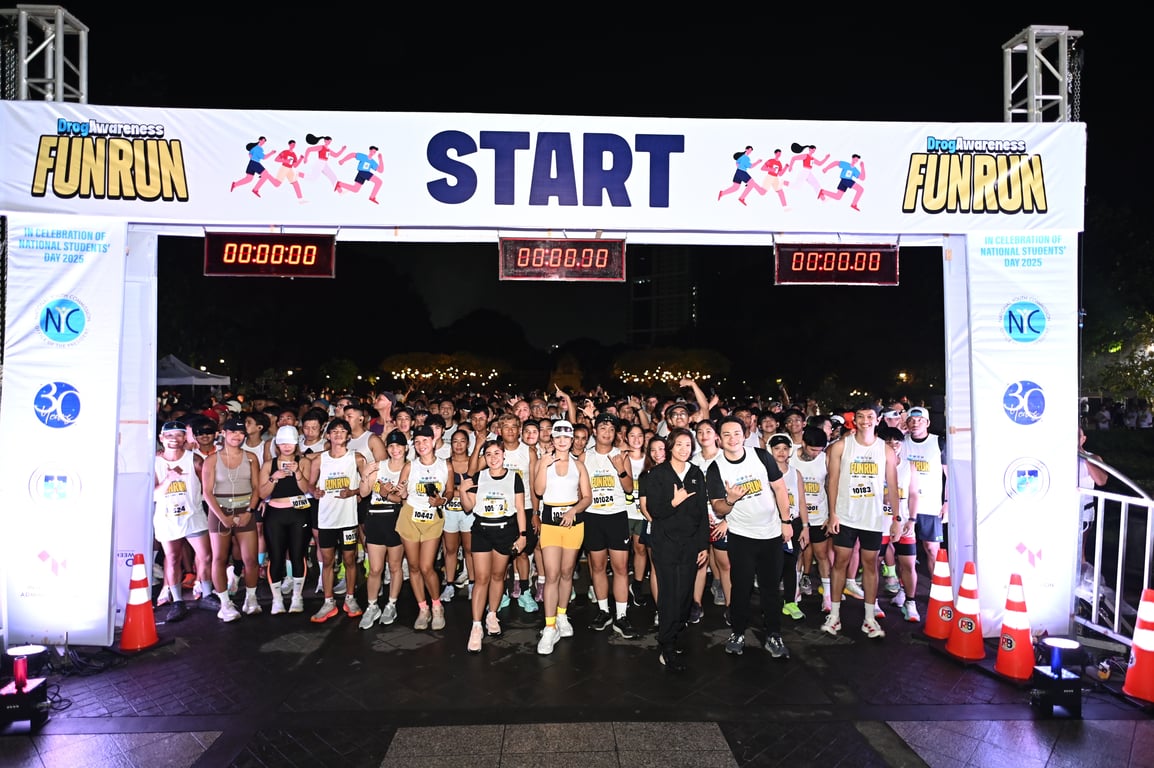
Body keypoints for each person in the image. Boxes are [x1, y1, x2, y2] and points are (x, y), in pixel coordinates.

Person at [707, 415, 794, 659]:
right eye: (726, 434)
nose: (732, 438)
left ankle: (774, 634)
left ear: (745, 434)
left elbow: (779, 488)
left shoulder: (761, 456)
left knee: (770, 588)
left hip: (771, 533)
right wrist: (731, 499)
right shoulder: (716, 468)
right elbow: (718, 508)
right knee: (741, 587)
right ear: (719, 439)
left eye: (736, 433)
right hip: (741, 537)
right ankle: (737, 632)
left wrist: (786, 521)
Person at [823, 403, 899, 639]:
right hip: (845, 515)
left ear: (878, 420)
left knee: (870, 564)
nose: (865, 420)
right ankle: (834, 615)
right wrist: (832, 513)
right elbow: (832, 481)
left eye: (870, 416)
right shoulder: (840, 446)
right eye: (860, 417)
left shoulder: (886, 450)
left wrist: (896, 518)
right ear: (853, 420)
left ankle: (869, 618)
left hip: (873, 518)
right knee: (841, 562)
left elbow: (893, 487)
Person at [641, 427, 710, 671]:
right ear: (670, 446)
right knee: (670, 594)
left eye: (688, 445)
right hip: (666, 542)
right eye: (679, 444)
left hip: (691, 543)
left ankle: (673, 632)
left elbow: (702, 511)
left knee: (684, 596)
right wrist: (673, 501)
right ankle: (666, 644)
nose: (683, 449)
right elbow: (655, 512)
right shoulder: (657, 474)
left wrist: (704, 545)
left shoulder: (696, 473)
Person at [459, 440, 529, 652]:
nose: (493, 457)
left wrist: (523, 535)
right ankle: (476, 626)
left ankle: (492, 614)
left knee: (498, 576)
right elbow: (469, 507)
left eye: (496, 453)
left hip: (505, 531)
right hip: (481, 530)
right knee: (481, 578)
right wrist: (462, 491)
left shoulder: (514, 477)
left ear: (503, 455)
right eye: (488, 454)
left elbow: (519, 507)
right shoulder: (478, 477)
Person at [533, 420, 592, 655]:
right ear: (553, 438)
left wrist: (573, 510)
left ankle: (562, 615)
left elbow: (587, 497)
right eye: (558, 436)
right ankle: (549, 627)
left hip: (573, 521)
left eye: (566, 437)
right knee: (551, 574)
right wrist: (543, 465)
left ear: (571, 440)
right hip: (550, 521)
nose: (562, 441)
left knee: (567, 572)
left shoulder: (579, 465)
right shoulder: (544, 461)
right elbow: (538, 491)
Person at [583, 412, 641, 639]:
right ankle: (603, 611)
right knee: (597, 567)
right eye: (602, 428)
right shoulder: (584, 457)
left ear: (616, 434)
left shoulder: (621, 455)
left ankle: (622, 615)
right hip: (592, 516)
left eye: (611, 429)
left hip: (616, 516)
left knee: (620, 567)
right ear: (595, 431)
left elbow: (628, 488)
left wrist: (621, 469)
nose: (607, 433)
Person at [305, 417, 367, 623]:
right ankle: (328, 601)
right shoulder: (319, 460)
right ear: (328, 435)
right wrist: (315, 491)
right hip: (326, 520)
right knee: (328, 561)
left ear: (349, 436)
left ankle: (350, 598)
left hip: (348, 519)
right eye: (335, 431)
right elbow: (309, 485)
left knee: (350, 560)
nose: (338, 434)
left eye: (343, 431)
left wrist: (354, 491)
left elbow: (367, 486)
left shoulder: (356, 458)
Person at [153, 420, 213, 623]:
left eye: (179, 435)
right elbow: (151, 494)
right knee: (172, 558)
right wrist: (168, 479)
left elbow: (207, 489)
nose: (174, 440)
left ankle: (206, 594)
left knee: (205, 556)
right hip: (167, 517)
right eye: (169, 436)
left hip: (193, 515)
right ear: (161, 438)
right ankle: (178, 601)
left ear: (185, 438)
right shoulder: (154, 462)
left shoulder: (194, 460)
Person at [396, 424, 453, 631]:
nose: (421, 445)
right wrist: (399, 492)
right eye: (417, 441)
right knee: (413, 566)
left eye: (425, 440)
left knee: (427, 566)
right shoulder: (410, 466)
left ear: (433, 442)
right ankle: (423, 608)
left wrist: (443, 500)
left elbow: (450, 490)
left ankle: (436, 605)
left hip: (432, 518)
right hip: (410, 516)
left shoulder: (445, 465)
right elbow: (400, 493)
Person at [357, 429, 410, 627]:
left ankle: (391, 604)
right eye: (391, 446)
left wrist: (386, 493)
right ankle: (372, 606)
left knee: (395, 566)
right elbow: (364, 492)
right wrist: (365, 475)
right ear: (387, 448)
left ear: (405, 448)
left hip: (396, 519)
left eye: (399, 446)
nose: (395, 450)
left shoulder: (409, 468)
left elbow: (403, 498)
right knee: (376, 568)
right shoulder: (378, 467)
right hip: (376, 518)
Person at [258, 425, 311, 614]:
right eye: (282, 443)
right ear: (277, 444)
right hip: (275, 513)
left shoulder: (303, 461)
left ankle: (297, 597)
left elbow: (306, 489)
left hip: (298, 512)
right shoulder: (268, 464)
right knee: (276, 556)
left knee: (298, 554)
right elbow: (262, 492)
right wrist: (274, 478)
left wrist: (297, 473)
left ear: (296, 443)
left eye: (290, 442)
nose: (286, 446)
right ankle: (277, 599)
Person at [903, 406, 947, 574]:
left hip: (930, 505)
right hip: (905, 505)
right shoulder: (901, 441)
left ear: (927, 423)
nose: (915, 424)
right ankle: (904, 589)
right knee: (906, 552)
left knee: (931, 548)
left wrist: (947, 503)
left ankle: (936, 589)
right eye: (911, 420)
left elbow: (949, 476)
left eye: (920, 420)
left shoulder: (938, 442)